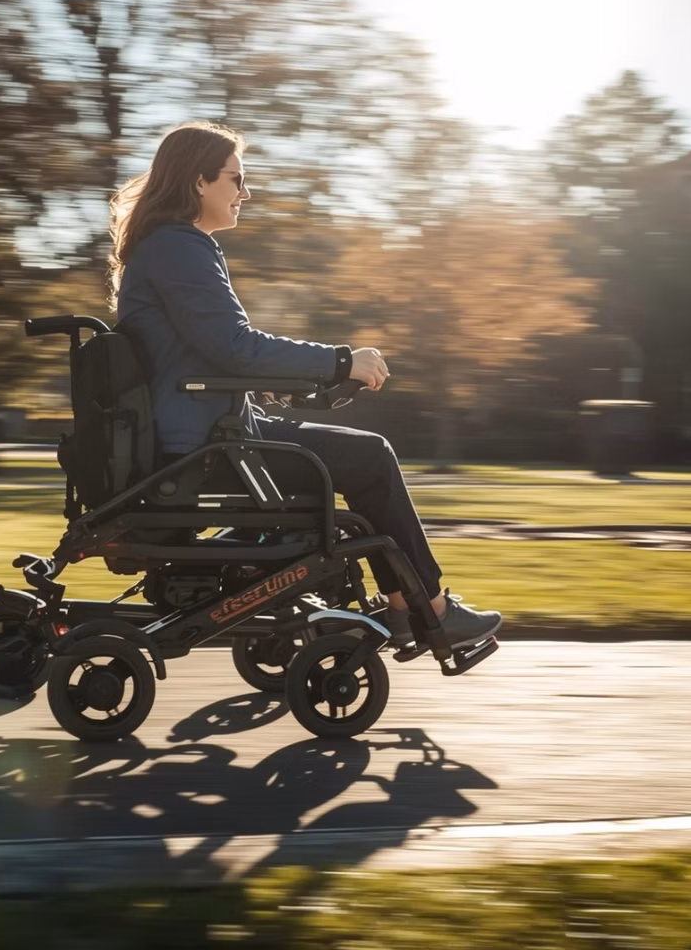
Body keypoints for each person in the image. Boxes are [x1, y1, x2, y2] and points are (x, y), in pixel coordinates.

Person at [110, 121, 500, 650]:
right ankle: (427, 610)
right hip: (204, 446)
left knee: (348, 465)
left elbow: (203, 351)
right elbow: (236, 347)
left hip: (204, 430)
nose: (245, 192)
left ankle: (403, 607)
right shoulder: (180, 247)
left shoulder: (164, 247)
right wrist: (341, 361)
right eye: (236, 178)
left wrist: (274, 381)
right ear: (199, 181)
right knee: (371, 457)